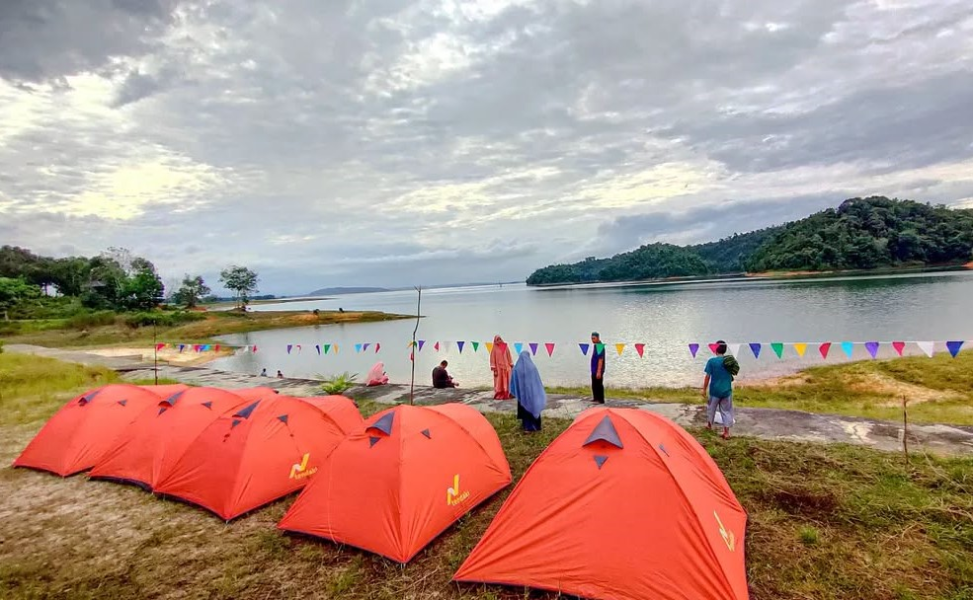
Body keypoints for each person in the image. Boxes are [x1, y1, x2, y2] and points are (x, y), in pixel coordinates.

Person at [702, 340, 736, 440]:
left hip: (714, 391)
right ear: (725, 350)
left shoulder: (711, 361)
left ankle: (709, 426)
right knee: (726, 411)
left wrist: (704, 389)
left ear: (716, 349)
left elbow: (707, 377)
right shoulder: (729, 362)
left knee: (711, 409)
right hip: (726, 391)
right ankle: (726, 433)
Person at [509, 351, 545, 432]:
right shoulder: (532, 367)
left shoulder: (517, 369)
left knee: (525, 409)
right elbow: (537, 381)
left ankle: (527, 427)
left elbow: (513, 382)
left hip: (522, 395)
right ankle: (537, 427)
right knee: (534, 408)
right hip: (533, 394)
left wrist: (514, 391)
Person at [490, 335, 514, 400]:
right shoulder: (494, 348)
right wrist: (494, 369)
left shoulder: (505, 346)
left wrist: (511, 364)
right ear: (495, 341)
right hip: (498, 369)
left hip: (507, 367)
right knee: (499, 381)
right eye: (497, 340)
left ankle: (508, 393)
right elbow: (492, 359)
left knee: (507, 381)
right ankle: (500, 394)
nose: (499, 341)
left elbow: (509, 355)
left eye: (500, 339)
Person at [590, 332, 606, 404]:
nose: (592, 340)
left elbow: (600, 359)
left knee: (599, 384)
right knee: (594, 384)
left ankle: (601, 400)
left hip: (598, 369)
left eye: (594, 338)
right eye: (592, 338)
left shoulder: (600, 346)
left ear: (598, 338)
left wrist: (599, 371)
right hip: (593, 369)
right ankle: (595, 398)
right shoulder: (595, 345)